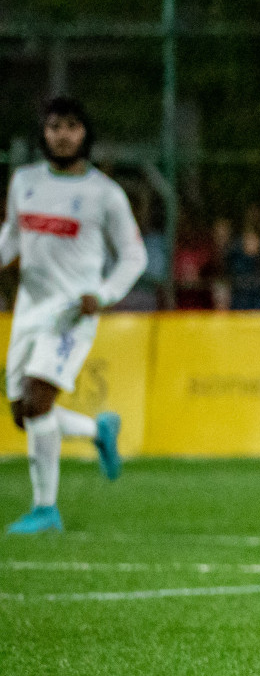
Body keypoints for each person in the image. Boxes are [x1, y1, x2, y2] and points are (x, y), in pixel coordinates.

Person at [1, 97, 146, 534]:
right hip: (29, 308)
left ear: (85, 133)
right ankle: (98, 429)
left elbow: (134, 256)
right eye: (53, 127)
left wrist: (102, 294)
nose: (62, 135)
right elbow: (12, 236)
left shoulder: (105, 193)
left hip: (71, 313)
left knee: (38, 400)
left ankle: (46, 510)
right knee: (22, 412)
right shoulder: (23, 181)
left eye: (71, 126)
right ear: (42, 134)